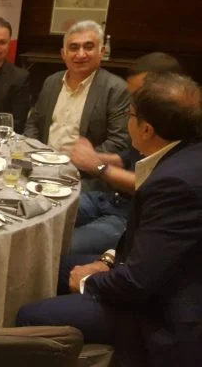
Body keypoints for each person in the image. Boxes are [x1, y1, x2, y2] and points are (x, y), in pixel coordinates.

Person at [16, 73, 202, 366]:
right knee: (47, 264)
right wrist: (108, 260)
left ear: (147, 129)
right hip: (149, 273)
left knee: (28, 316)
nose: (128, 121)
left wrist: (89, 281)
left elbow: (138, 283)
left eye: (130, 115)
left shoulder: (174, 184)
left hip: (159, 313)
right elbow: (154, 250)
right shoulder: (183, 153)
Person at [67, 52, 183, 254]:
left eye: (139, 94)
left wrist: (98, 166)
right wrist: (95, 157)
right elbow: (131, 157)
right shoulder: (148, 119)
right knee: (46, 211)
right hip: (108, 198)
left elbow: (150, 184)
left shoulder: (180, 128)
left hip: (131, 216)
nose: (132, 102)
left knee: (56, 249)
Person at [23, 20, 130, 154]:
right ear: (63, 54)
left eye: (88, 47)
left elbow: (118, 141)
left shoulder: (116, 89)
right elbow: (33, 123)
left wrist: (83, 158)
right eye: (74, 48)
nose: (81, 54)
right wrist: (34, 150)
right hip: (42, 159)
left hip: (83, 166)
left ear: (101, 52)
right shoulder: (51, 82)